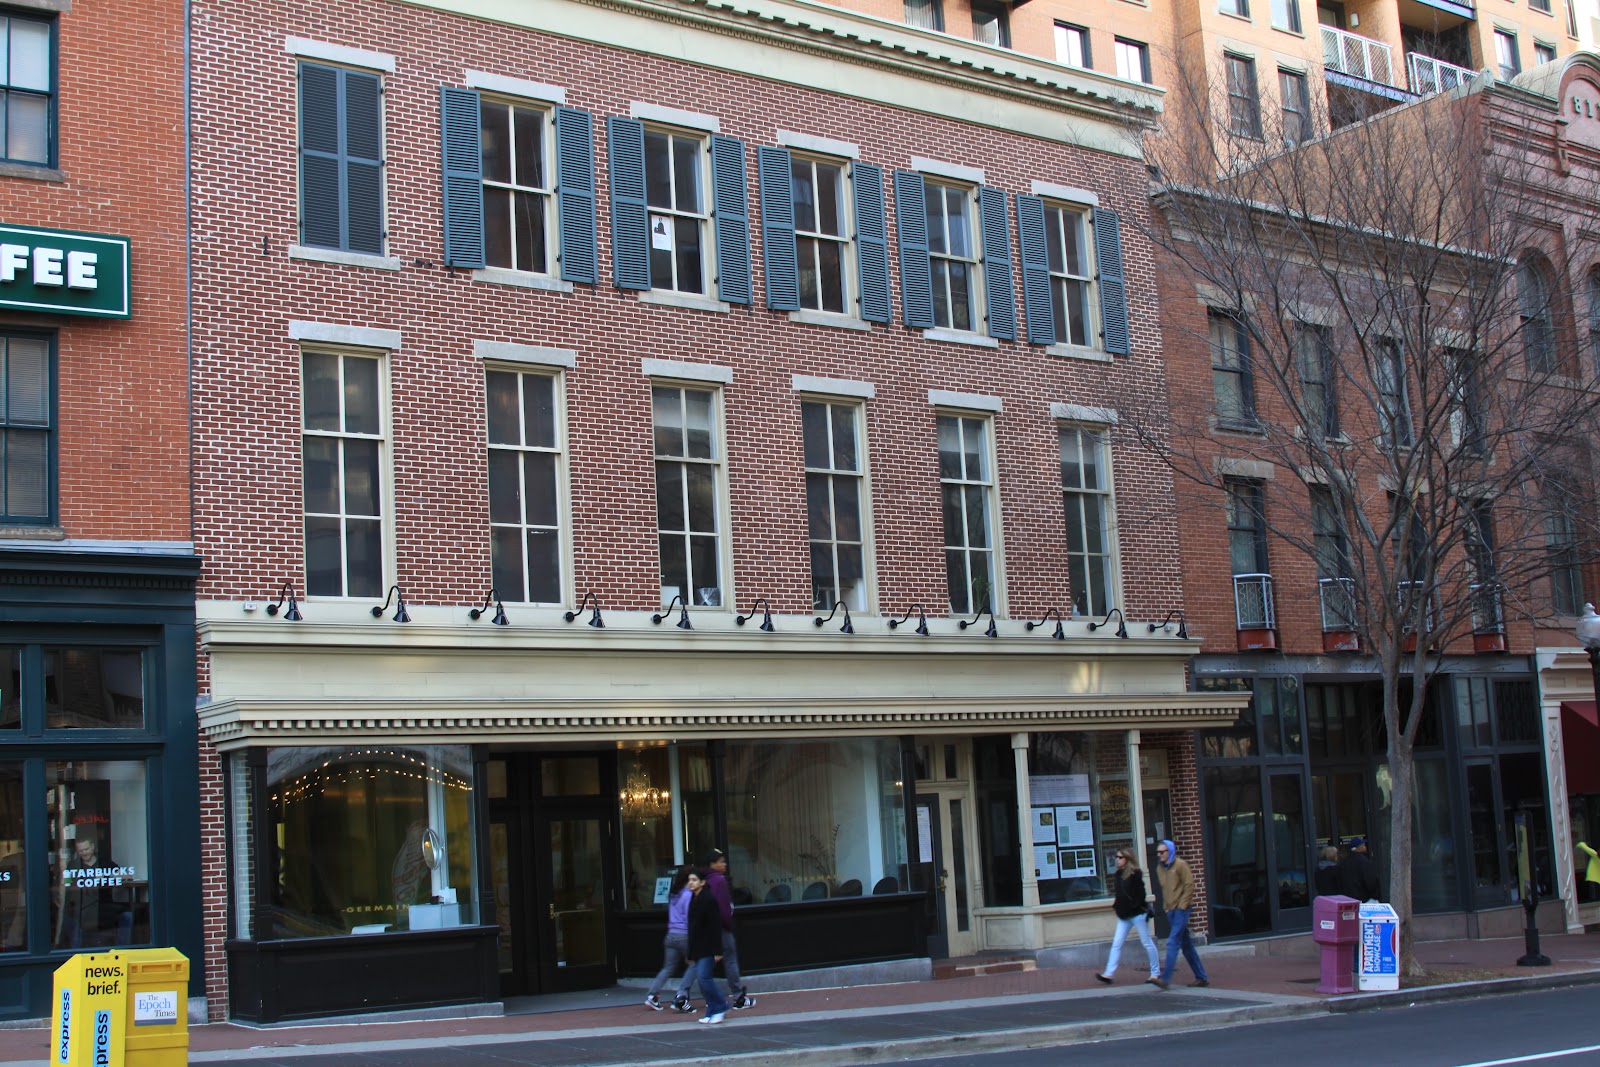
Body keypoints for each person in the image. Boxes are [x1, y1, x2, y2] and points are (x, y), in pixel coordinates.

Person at [1095, 847, 1160, 985]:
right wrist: (1118, 907)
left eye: (1120, 857)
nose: (1117, 860)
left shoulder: (1135, 874)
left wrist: (1133, 906)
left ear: (1127, 859)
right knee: (1116, 943)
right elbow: (1119, 895)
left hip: (1137, 914)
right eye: (1116, 857)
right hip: (1124, 916)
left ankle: (1155, 973)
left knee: (1147, 942)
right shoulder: (1118, 874)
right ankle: (1108, 973)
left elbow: (1141, 895)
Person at [1153, 838, 1208, 990]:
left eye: (1162, 852)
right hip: (1170, 910)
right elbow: (1165, 889)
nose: (1159, 855)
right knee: (1186, 944)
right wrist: (1166, 908)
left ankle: (1165, 979)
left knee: (1172, 942)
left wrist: (1183, 905)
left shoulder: (1180, 865)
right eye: (1158, 852)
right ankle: (1201, 977)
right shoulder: (1159, 868)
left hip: (1181, 909)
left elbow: (1189, 885)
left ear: (1170, 851)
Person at [703, 848, 755, 1009]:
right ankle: (738, 996)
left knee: (704, 963)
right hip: (720, 927)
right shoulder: (719, 880)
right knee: (730, 959)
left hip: (706, 926)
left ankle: (690, 994)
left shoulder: (703, 880)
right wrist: (727, 924)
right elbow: (723, 907)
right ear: (712, 864)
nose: (724, 864)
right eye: (721, 862)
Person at [645, 867, 700, 1011]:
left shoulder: (674, 894)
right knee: (695, 963)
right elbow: (689, 917)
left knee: (668, 968)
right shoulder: (688, 895)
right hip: (684, 935)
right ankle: (681, 995)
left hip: (670, 934)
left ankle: (652, 995)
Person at [686, 868, 730, 1025]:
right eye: (689, 880)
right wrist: (690, 953)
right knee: (702, 979)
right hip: (699, 947)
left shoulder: (708, 900)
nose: (691, 883)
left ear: (703, 882)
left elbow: (715, 926)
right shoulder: (694, 899)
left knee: (704, 978)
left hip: (708, 947)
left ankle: (721, 1005)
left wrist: (717, 951)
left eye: (694, 880)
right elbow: (692, 929)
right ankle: (712, 1010)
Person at [1339, 836, 1381, 902]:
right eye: (1363, 845)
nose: (1365, 847)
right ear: (1358, 847)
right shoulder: (1364, 861)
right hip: (1364, 899)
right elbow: (1370, 881)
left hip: (1348, 900)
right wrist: (1375, 895)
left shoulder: (1344, 862)